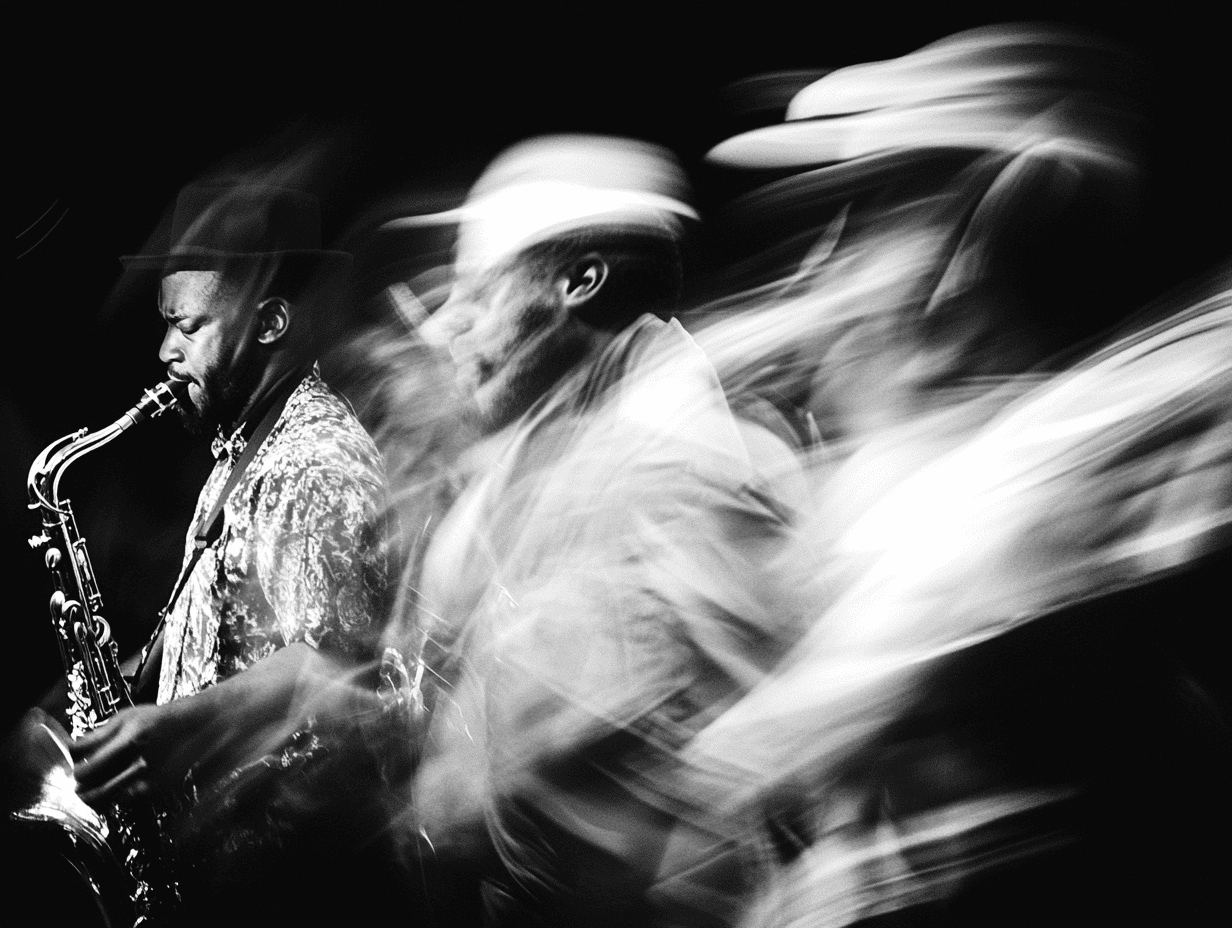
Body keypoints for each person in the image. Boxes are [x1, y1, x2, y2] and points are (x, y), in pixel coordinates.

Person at [393, 136, 810, 927]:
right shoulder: (540, 457)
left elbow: (755, 798)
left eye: (475, 293)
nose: (444, 327)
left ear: (580, 282)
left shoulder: (685, 475)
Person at [68, 183, 406, 925]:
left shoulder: (313, 461)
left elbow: (344, 671)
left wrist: (178, 729)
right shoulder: (245, 449)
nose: (165, 352)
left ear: (270, 322)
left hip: (289, 891)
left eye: (187, 326)